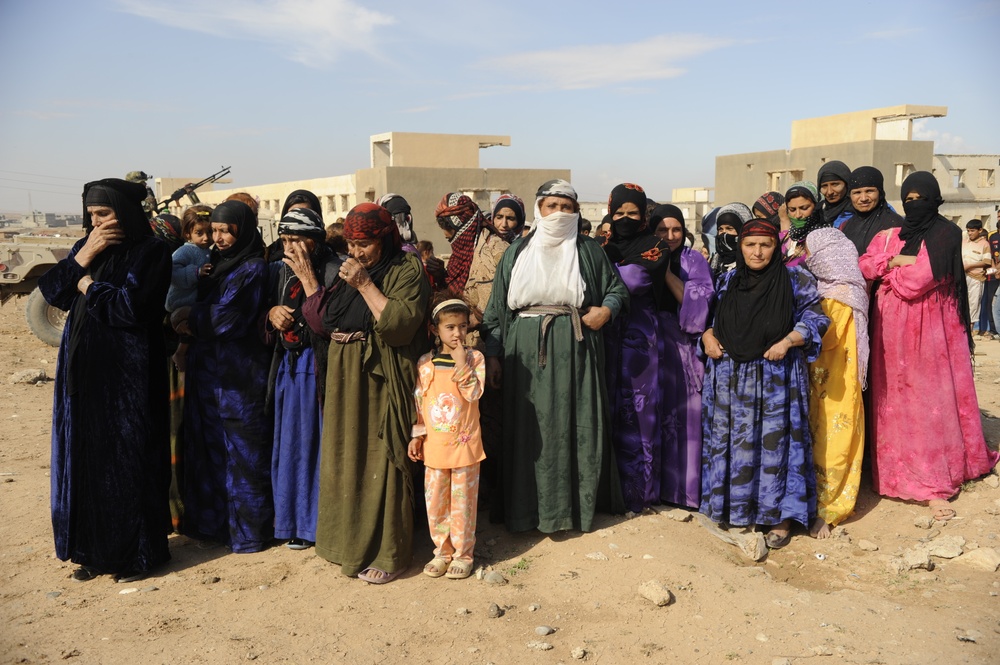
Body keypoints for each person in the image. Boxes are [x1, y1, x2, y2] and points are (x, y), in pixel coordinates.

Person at [39, 177, 172, 582]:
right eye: (91, 215)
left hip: (126, 378)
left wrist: (86, 283)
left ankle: (138, 556)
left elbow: (128, 310)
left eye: (104, 214)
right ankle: (93, 552)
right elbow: (52, 291)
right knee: (88, 462)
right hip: (82, 372)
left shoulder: (152, 252)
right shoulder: (87, 247)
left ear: (125, 213)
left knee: (127, 463)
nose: (96, 222)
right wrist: (83, 260)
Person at [481, 179, 628, 533]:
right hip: (524, 354)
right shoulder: (517, 252)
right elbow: (496, 311)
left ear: (576, 212)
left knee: (575, 426)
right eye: (552, 207)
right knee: (528, 431)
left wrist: (605, 311)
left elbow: (616, 288)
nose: (559, 214)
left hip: (575, 347)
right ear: (538, 209)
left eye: (567, 207)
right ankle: (526, 512)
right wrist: (494, 355)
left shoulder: (589, 249)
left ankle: (571, 511)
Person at [302, 203, 431, 584]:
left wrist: (364, 284)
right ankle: (346, 545)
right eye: (351, 245)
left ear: (385, 238)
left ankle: (389, 553)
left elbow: (401, 326)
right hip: (345, 372)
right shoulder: (350, 269)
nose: (356, 253)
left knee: (381, 456)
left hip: (379, 375)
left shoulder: (406, 270)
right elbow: (329, 319)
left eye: (364, 245)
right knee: (346, 455)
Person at [859, 172, 999, 521]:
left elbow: (917, 281)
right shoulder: (890, 234)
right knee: (894, 400)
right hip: (889, 333)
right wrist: (896, 263)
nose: (914, 204)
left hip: (931, 332)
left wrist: (888, 266)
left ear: (935, 199)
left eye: (921, 197)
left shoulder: (944, 233)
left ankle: (931, 479)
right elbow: (865, 265)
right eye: (908, 198)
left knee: (927, 402)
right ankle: (895, 474)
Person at [701, 218, 829, 549]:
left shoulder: (795, 278)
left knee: (776, 447)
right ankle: (738, 511)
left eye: (765, 244)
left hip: (775, 377)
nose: (757, 252)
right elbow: (713, 319)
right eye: (750, 244)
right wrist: (707, 335)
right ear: (740, 247)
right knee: (737, 446)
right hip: (731, 377)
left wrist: (788, 341)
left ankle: (780, 519)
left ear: (777, 247)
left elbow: (816, 318)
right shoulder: (728, 279)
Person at [172, 200, 274, 553]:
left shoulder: (252, 269)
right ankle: (213, 527)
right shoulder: (214, 265)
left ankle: (249, 533)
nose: (219, 237)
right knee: (209, 447)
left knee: (243, 452)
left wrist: (190, 314)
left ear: (241, 231)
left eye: (226, 231)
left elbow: (229, 318)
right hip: (207, 373)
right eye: (214, 231)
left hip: (238, 375)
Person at [265, 207, 342, 550]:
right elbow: (267, 311)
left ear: (313, 240)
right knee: (293, 445)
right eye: (284, 240)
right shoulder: (281, 270)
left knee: (317, 443)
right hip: (290, 367)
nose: (289, 247)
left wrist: (310, 280)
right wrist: (272, 314)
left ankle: (318, 524)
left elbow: (332, 322)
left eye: (295, 240)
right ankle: (291, 522)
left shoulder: (333, 268)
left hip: (319, 368)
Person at [434, 193, 509, 521]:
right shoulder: (460, 253)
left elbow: (496, 310)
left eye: (448, 227)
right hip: (465, 351)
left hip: (489, 352)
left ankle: (495, 500)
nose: (446, 235)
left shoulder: (496, 251)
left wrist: (491, 355)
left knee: (491, 427)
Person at [408, 296, 486, 580]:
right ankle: (442, 551)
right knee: (437, 503)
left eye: (463, 327)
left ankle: (464, 554)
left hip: (465, 448)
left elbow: (473, 394)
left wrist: (460, 362)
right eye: (450, 327)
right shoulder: (425, 364)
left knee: (463, 503)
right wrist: (417, 436)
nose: (457, 334)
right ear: (434, 330)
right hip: (435, 448)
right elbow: (419, 405)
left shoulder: (475, 359)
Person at [802, 228, 869, 538]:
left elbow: (825, 339)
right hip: (833, 384)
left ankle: (829, 508)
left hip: (833, 386)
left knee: (831, 442)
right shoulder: (851, 289)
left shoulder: (836, 295)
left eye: (811, 253)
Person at [648, 204, 714, 508]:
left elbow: (698, 311)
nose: (670, 236)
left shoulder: (693, 260)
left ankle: (683, 493)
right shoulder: (641, 255)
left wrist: (664, 270)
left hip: (681, 346)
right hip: (646, 345)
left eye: (676, 230)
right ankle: (649, 490)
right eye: (662, 230)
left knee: (684, 416)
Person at [166, 205, 213, 371]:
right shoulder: (185, 251)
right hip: (182, 300)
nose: (206, 237)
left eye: (210, 232)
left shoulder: (207, 250)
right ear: (187, 234)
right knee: (187, 330)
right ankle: (180, 353)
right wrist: (196, 272)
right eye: (199, 233)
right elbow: (173, 271)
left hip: (194, 299)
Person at [839, 166, 903, 257]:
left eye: (869, 191)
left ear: (880, 193)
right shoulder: (845, 226)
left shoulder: (894, 225)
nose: (863, 198)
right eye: (857, 193)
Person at [783, 181, 829, 267]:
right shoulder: (788, 236)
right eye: (792, 210)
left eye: (804, 208)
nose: (798, 215)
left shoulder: (826, 237)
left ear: (817, 206)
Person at [709, 203, 752, 280]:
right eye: (720, 229)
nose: (724, 233)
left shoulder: (751, 260)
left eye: (729, 228)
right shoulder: (715, 261)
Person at [963, 220, 991, 333]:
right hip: (963, 276)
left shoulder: (984, 244)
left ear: (980, 230)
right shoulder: (964, 242)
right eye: (968, 231)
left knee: (973, 305)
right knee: (962, 303)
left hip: (976, 278)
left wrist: (970, 265)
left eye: (972, 231)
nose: (970, 233)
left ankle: (970, 332)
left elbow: (987, 261)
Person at [817, 161, 853, 229]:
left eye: (835, 184)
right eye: (824, 186)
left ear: (847, 184)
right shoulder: (819, 213)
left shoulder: (857, 214)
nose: (830, 192)